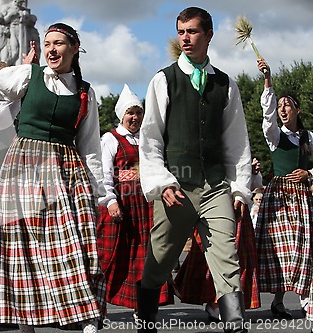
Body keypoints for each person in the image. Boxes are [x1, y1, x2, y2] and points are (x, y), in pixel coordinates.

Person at [0, 16, 106, 333]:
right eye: (47, 43)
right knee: (23, 245)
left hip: (65, 169)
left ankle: (84, 314)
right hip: (24, 167)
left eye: (58, 43)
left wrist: (100, 192)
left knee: (75, 240)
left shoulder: (86, 93)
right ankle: (26, 323)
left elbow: (90, 147)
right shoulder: (27, 75)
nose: (51, 49)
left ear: (75, 49)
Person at [138, 7, 252, 333]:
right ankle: (145, 321)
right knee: (159, 260)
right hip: (177, 187)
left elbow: (237, 142)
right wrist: (162, 183)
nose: (185, 38)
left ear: (209, 35)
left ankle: (235, 325)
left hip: (216, 186)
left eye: (192, 31)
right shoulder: (163, 79)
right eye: (181, 31)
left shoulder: (226, 85)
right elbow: (150, 139)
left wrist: (240, 187)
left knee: (226, 258)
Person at [97, 84, 173, 316]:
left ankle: (143, 306)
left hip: (147, 206)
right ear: (122, 114)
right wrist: (110, 201)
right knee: (111, 257)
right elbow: (104, 173)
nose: (135, 117)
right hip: (121, 206)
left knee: (148, 256)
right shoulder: (110, 139)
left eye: (138, 112)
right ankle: (96, 303)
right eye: (130, 112)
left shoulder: (148, 139)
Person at [254, 58, 313, 321]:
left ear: (298, 110)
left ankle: (306, 301)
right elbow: (266, 116)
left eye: (287, 105)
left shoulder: (309, 138)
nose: (282, 109)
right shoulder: (275, 136)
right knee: (280, 251)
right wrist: (267, 81)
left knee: (303, 248)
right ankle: (278, 302)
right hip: (278, 198)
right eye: (280, 106)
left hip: (302, 198)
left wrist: (309, 173)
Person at [174, 157, 263, 321]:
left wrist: (252, 174)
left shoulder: (237, 147)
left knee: (236, 259)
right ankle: (214, 302)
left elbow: (253, 186)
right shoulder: (206, 146)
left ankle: (226, 304)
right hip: (211, 203)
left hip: (237, 207)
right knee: (211, 255)